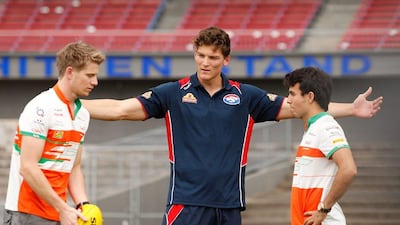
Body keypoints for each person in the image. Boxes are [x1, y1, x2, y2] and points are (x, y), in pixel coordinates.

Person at [82, 26, 383, 225]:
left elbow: (303, 106)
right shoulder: (173, 93)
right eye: (200, 55)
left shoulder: (246, 96)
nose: (205, 62)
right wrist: (72, 104)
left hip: (228, 208)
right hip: (186, 204)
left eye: (213, 57)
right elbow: (120, 109)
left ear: (226, 60)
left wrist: (352, 110)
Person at [3, 41, 105, 225]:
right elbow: (28, 167)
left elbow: (73, 167)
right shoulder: (41, 107)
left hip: (59, 213)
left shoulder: (82, 115)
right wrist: (63, 208)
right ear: (70, 72)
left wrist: (84, 205)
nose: (95, 82)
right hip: (26, 214)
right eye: (89, 75)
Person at [284, 66, 360, 225]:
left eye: (292, 94)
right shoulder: (314, 127)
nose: (288, 100)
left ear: (310, 97)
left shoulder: (325, 126)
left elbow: (349, 169)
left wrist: (323, 210)